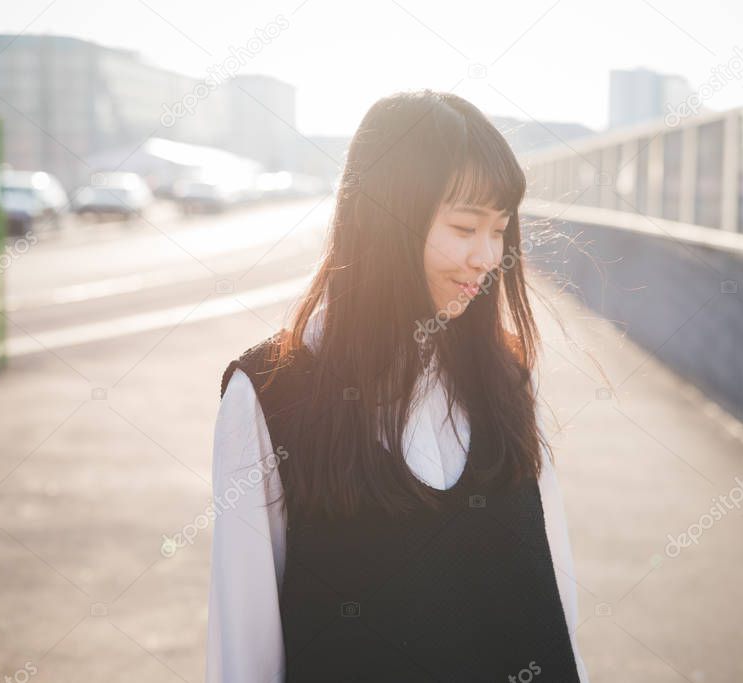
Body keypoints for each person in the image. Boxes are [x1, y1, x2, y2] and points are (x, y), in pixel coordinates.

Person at [205, 89, 590, 682]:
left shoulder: (507, 377)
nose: (488, 256)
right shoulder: (269, 397)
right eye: (465, 227)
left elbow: (551, 592)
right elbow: (245, 648)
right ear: (384, 219)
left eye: (501, 230)